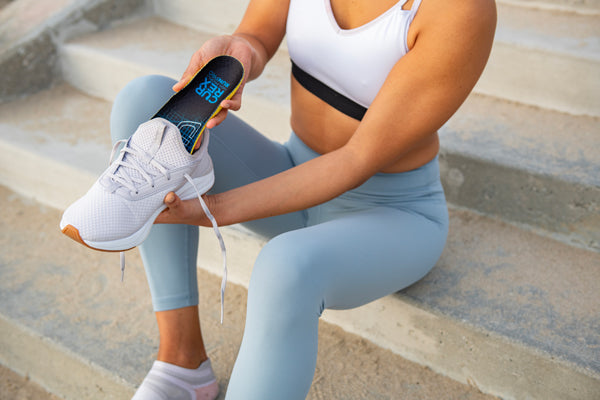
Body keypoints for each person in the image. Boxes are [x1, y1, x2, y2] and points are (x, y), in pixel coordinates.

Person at [109, 0, 496, 398]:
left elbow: (356, 160)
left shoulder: (459, 10)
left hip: (391, 212)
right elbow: (256, 35)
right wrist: (240, 54)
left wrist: (215, 210)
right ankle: (181, 364)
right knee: (147, 105)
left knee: (285, 266)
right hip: (295, 172)